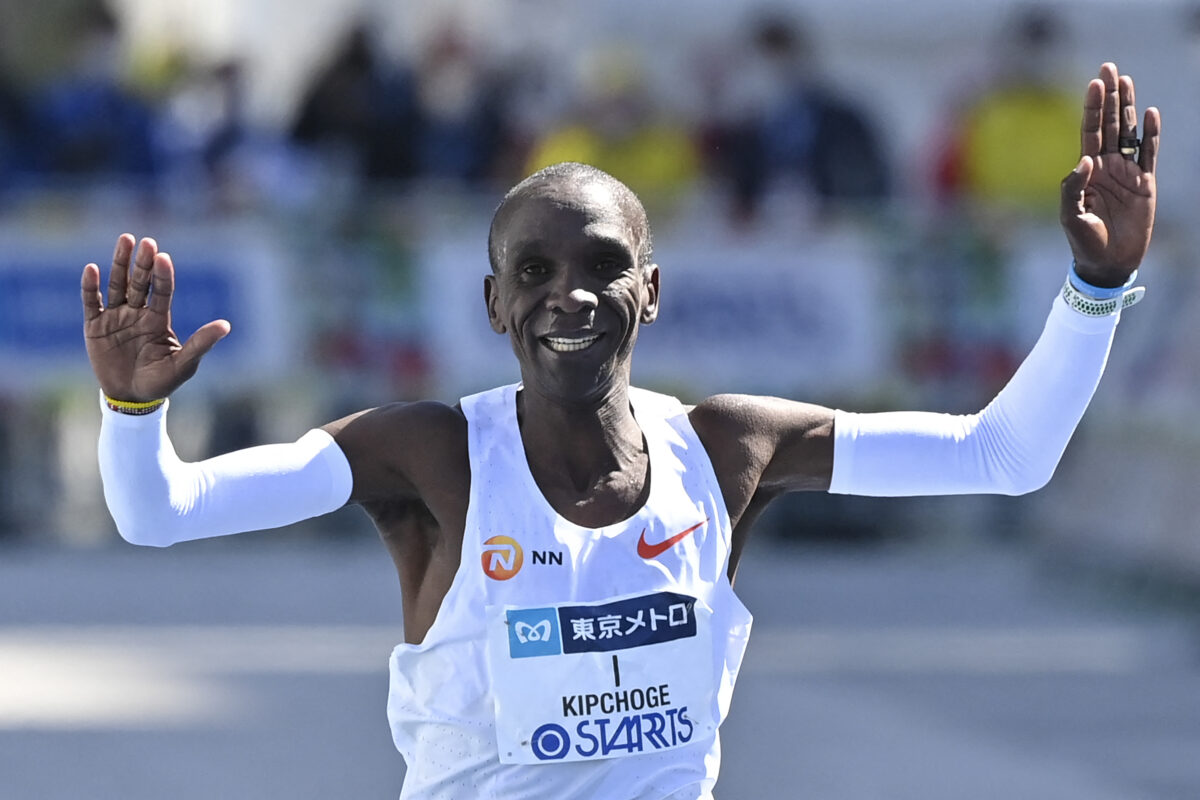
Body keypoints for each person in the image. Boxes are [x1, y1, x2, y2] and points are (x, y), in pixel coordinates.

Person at [81, 63, 1158, 799]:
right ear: (495, 303)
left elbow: (1002, 456)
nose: (570, 296)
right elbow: (159, 514)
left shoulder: (728, 449)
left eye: (603, 267)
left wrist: (1095, 288)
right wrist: (135, 411)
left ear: (651, 291)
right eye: (535, 274)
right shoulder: (428, 453)